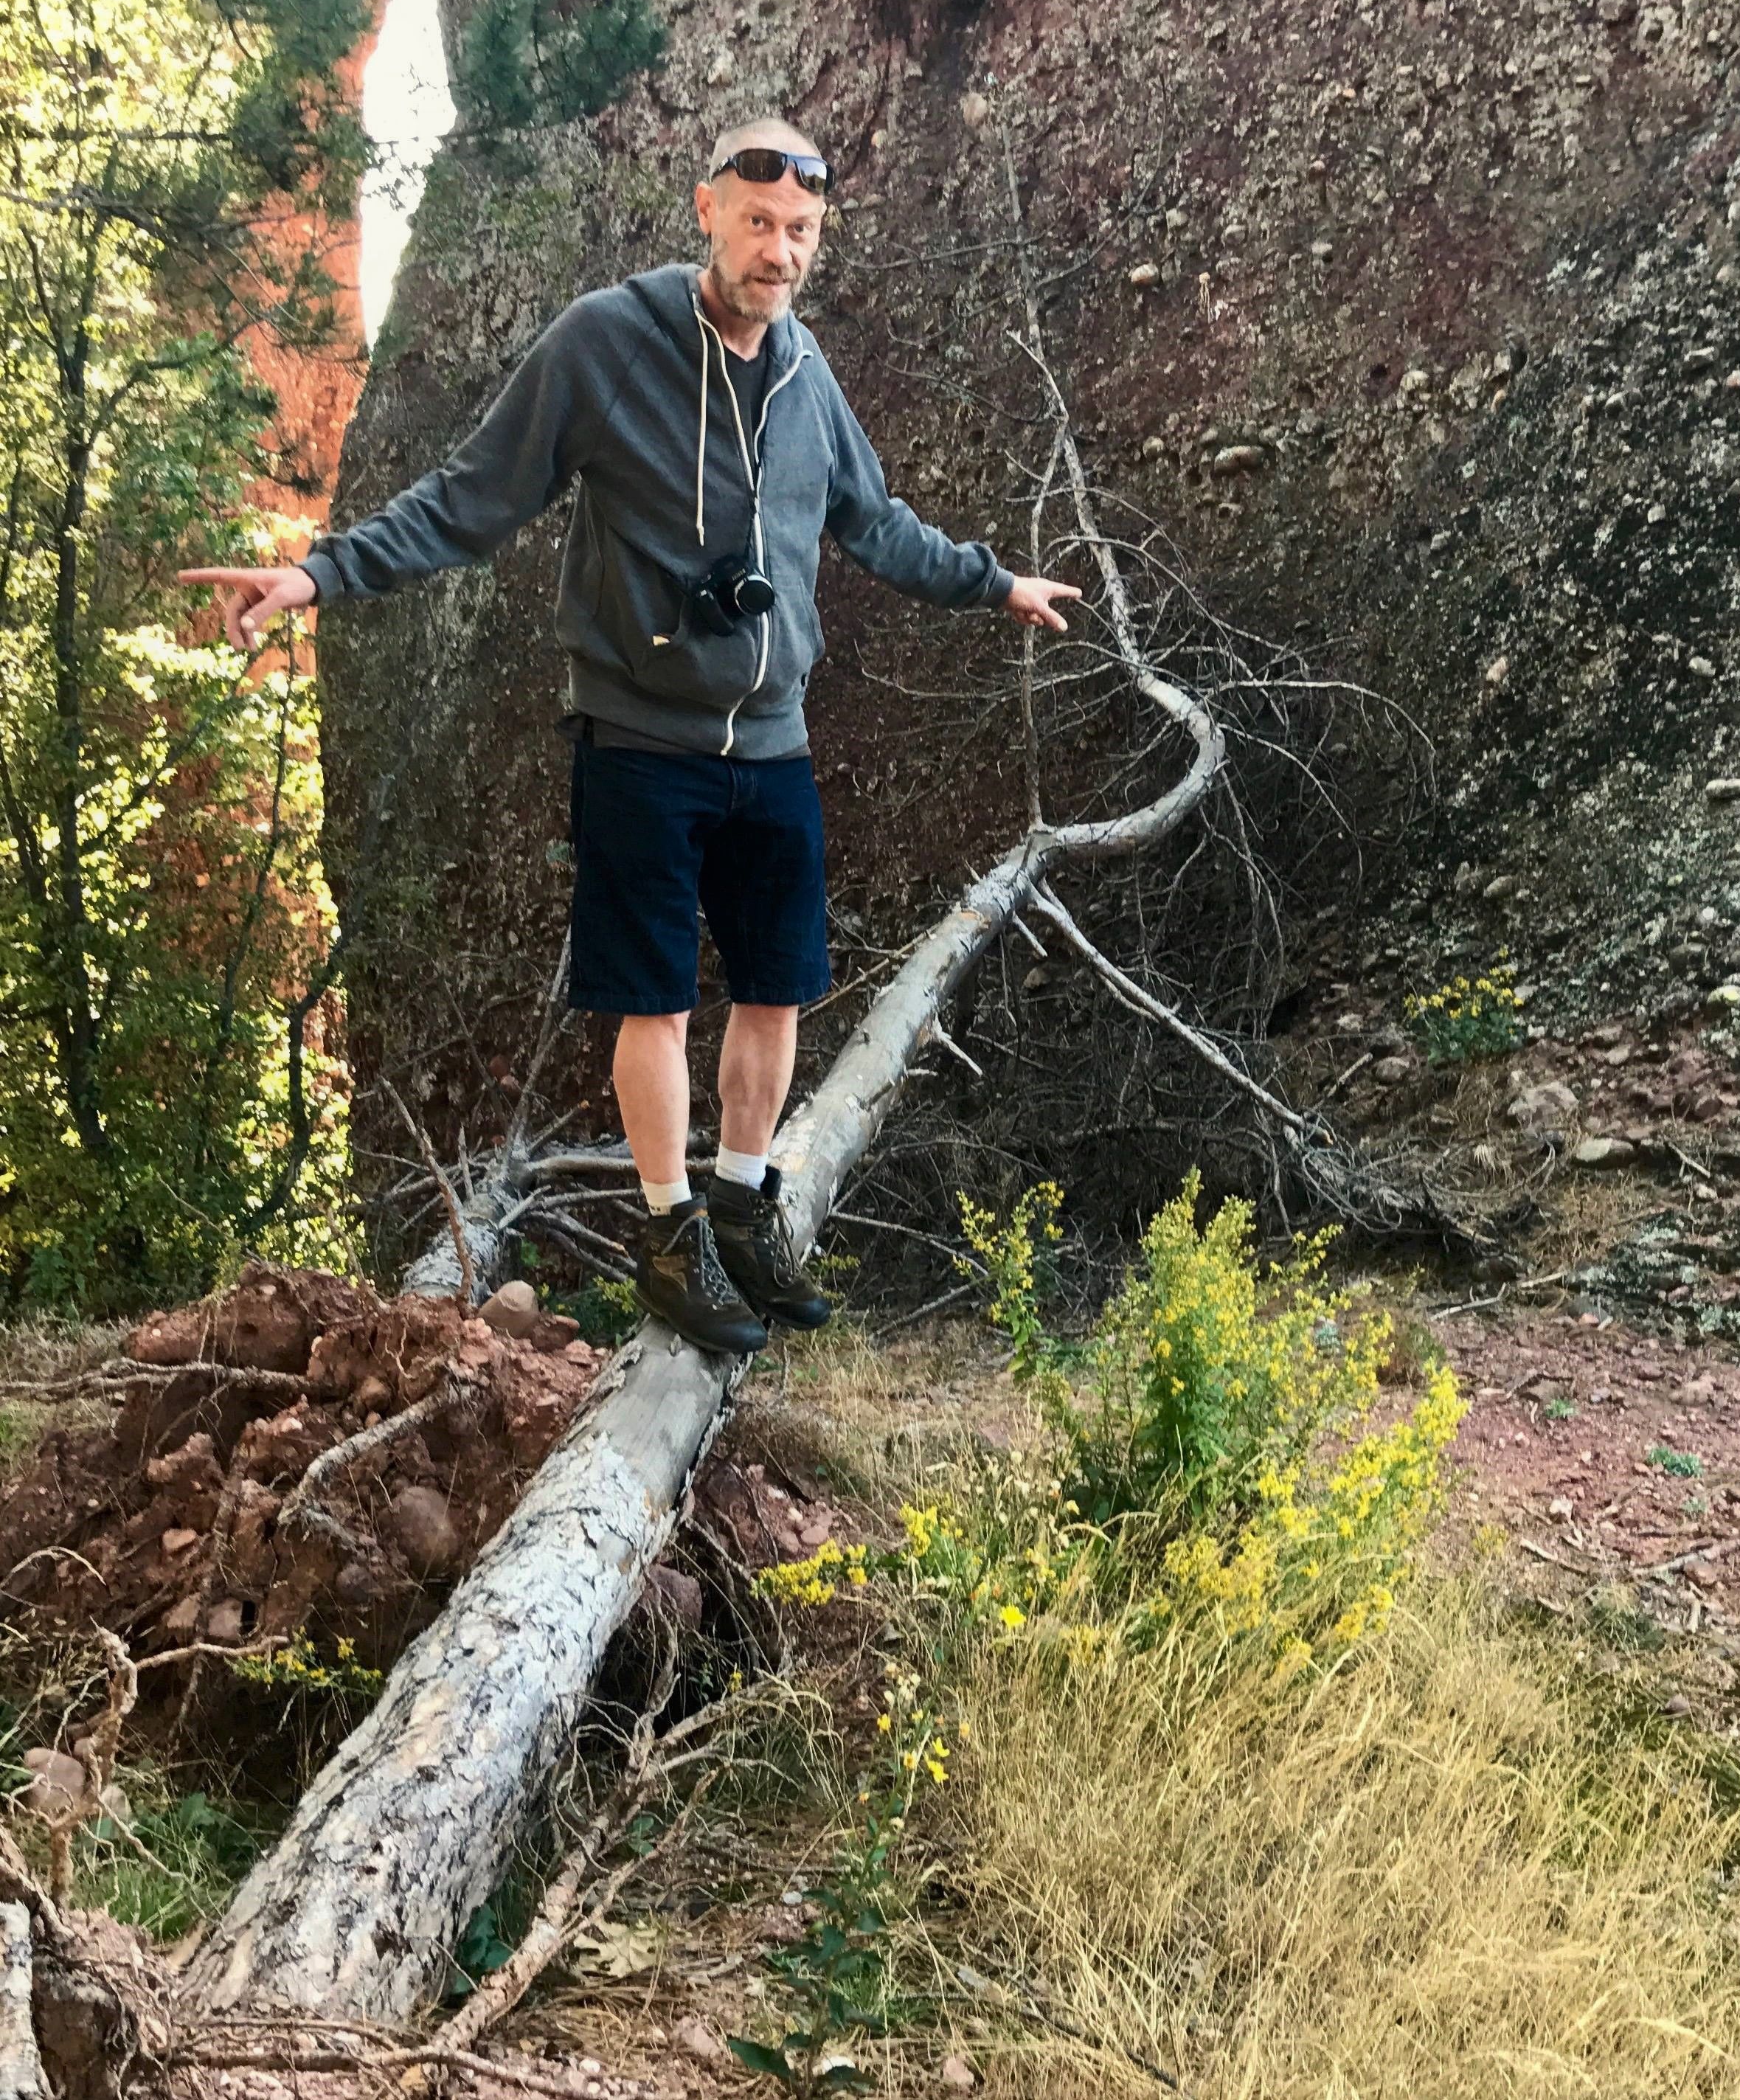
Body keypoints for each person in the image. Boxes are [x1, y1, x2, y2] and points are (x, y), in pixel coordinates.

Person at [181, 118, 1081, 1354]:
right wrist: (319, 575)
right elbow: (472, 495)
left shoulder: (808, 375)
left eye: (801, 232)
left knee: (777, 988)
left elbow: (878, 523)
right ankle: (669, 1233)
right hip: (641, 739)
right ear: (707, 210)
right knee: (651, 998)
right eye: (758, 224)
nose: (779, 251)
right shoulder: (608, 343)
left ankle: (742, 1203)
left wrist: (996, 585)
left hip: (772, 742)